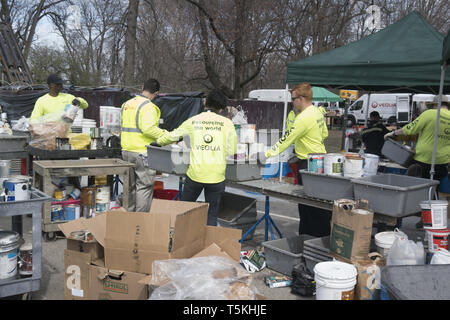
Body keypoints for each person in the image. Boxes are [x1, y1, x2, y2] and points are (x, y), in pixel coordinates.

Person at [155, 90, 237, 226]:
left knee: (184, 211)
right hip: (216, 176)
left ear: (205, 103)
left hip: (195, 175)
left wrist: (158, 142)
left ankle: (180, 240)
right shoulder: (227, 124)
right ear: (221, 108)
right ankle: (208, 245)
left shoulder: (194, 120)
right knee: (211, 215)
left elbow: (172, 136)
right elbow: (231, 150)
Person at [263, 83, 330, 236]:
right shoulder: (317, 112)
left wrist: (265, 154)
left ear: (301, 98)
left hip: (308, 164)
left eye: (293, 99)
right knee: (317, 206)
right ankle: (316, 239)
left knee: (308, 207)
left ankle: (309, 239)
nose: (292, 102)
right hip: (320, 160)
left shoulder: (303, 118)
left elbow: (286, 140)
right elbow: (324, 134)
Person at [121, 79, 168, 212]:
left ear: (142, 87)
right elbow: (148, 129)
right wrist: (167, 135)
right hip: (142, 153)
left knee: (129, 187)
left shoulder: (126, 104)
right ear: (156, 93)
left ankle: (127, 219)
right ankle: (139, 222)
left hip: (126, 151)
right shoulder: (149, 107)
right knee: (144, 186)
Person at [384, 95, 449, 183]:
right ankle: (432, 196)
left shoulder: (430, 113)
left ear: (436, 105)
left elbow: (410, 128)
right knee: (433, 187)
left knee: (417, 186)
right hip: (442, 162)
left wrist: (394, 133)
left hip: (423, 159)